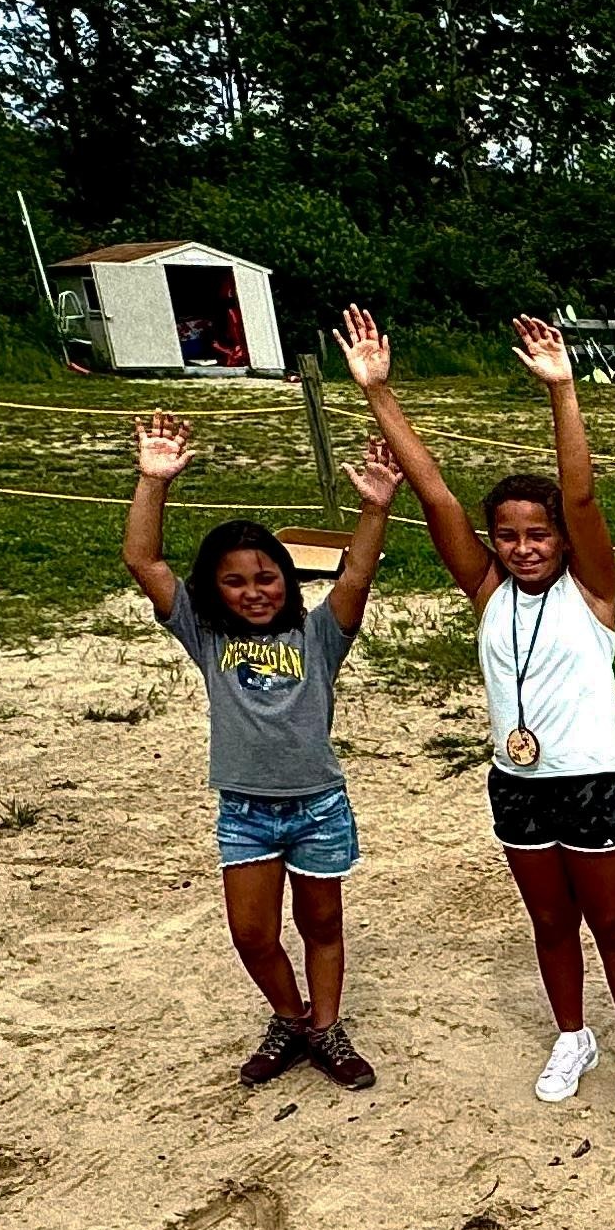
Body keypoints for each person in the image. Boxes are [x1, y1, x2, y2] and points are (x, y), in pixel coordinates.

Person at [342, 305, 615, 1112]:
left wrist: (563, 391)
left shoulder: (592, 590)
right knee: (551, 924)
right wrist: (379, 393)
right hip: (517, 781)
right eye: (509, 535)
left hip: (592, 777)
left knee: (613, 925)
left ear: (560, 539)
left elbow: (583, 495)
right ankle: (571, 1035)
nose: (524, 547)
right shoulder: (484, 588)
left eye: (538, 534)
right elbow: (434, 492)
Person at [119, 407, 400, 1089]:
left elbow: (356, 579)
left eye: (266, 577)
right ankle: (291, 1014)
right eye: (235, 581)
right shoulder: (204, 633)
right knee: (252, 932)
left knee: (321, 923)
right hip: (245, 808)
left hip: (318, 805)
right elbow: (142, 559)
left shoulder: (319, 634)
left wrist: (375, 510)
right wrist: (153, 481)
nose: (253, 591)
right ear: (214, 589)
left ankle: (326, 1027)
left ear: (289, 578)